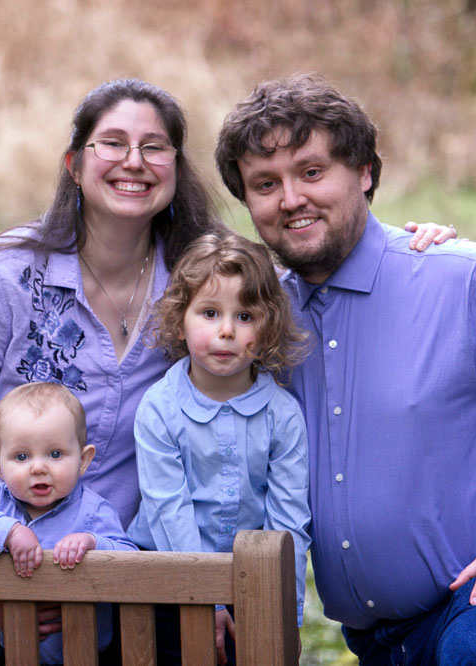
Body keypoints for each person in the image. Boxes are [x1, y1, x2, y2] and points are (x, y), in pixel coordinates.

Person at [0, 77, 455, 664]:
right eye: (111, 143)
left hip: (104, 572)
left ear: (175, 167)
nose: (133, 162)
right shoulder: (6, 278)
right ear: (73, 163)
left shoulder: (198, 286)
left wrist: (405, 249)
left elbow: (285, 290)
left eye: (154, 146)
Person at [214, 74, 476, 665]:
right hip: (378, 641)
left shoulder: (467, 282)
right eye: (265, 184)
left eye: (311, 172)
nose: (290, 199)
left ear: (363, 172)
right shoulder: (263, 326)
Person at [127, 232, 311, 665]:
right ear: (179, 321)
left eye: (245, 316)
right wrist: (201, 602)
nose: (226, 330)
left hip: (251, 588)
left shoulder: (282, 414)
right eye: (209, 313)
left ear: (269, 327)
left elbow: (290, 520)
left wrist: (289, 614)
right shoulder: (160, 409)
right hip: (165, 583)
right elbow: (167, 509)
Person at [0, 382, 136, 664]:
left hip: (87, 654)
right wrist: (9, 530)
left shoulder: (94, 511)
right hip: (8, 653)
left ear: (83, 460)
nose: (38, 467)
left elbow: (132, 561)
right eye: (21, 457)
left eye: (55, 454)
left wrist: (93, 543)